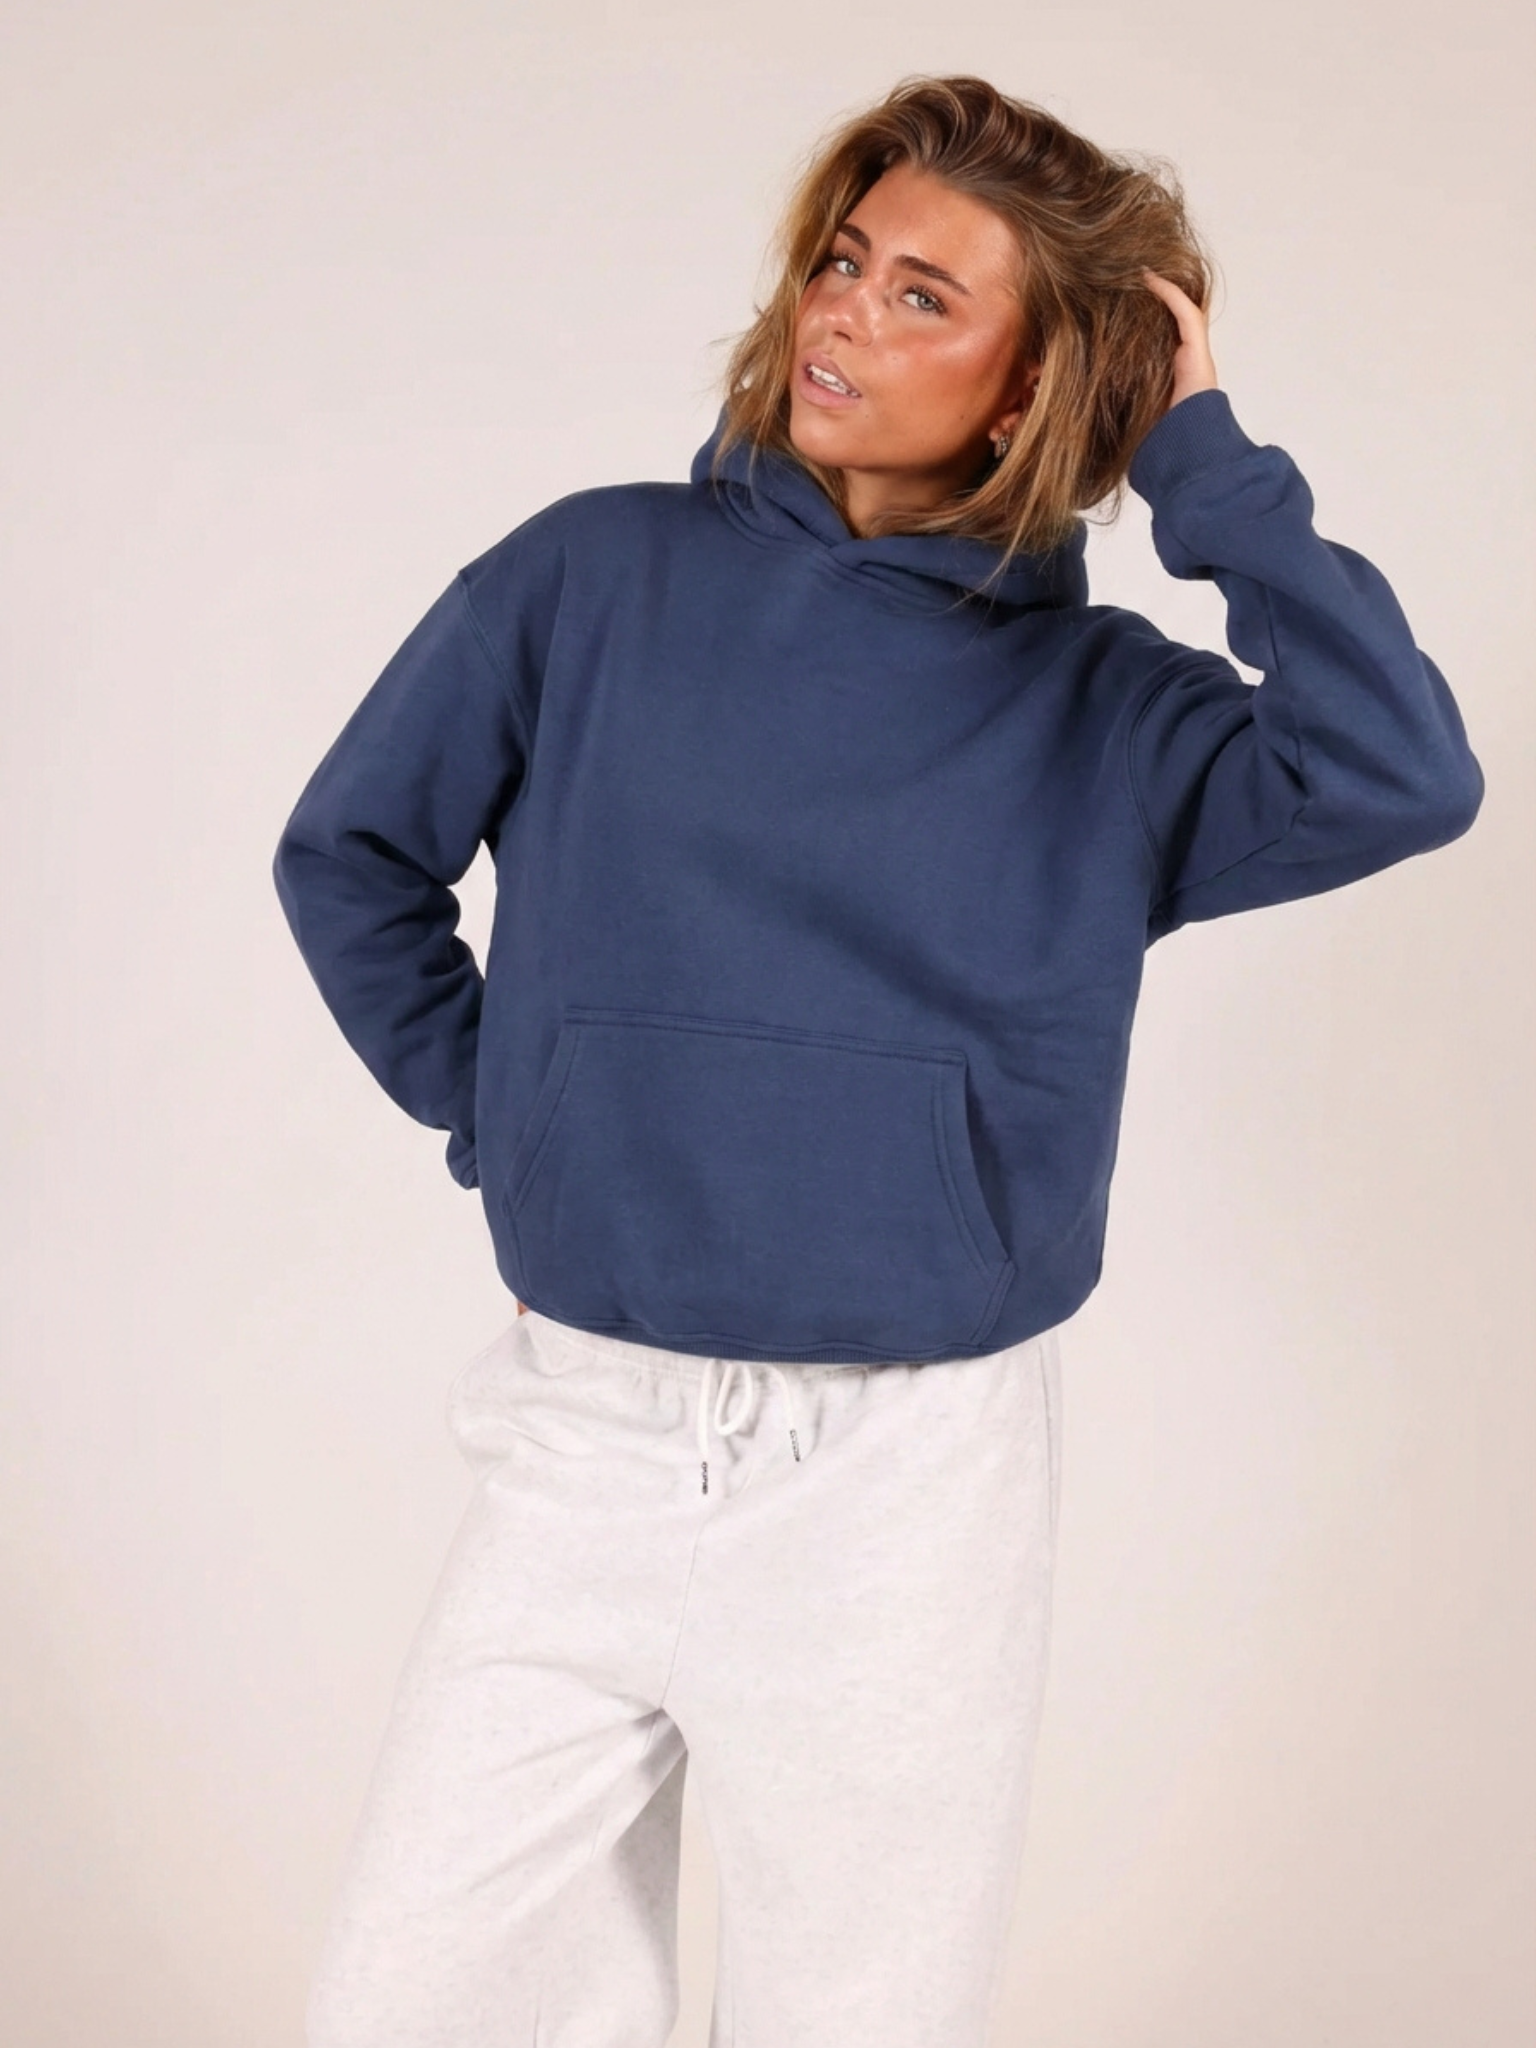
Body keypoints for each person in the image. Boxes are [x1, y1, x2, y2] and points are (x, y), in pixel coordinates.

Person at [272, 72, 1483, 2048]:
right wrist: (505, 1114)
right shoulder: (589, 578)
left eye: (927, 295)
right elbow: (350, 853)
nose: (841, 311)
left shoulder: (1112, 716)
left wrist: (1203, 463)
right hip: (582, 1437)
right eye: (844, 262)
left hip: (905, 1486)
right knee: (414, 2003)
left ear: (1035, 390)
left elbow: (1403, 771)